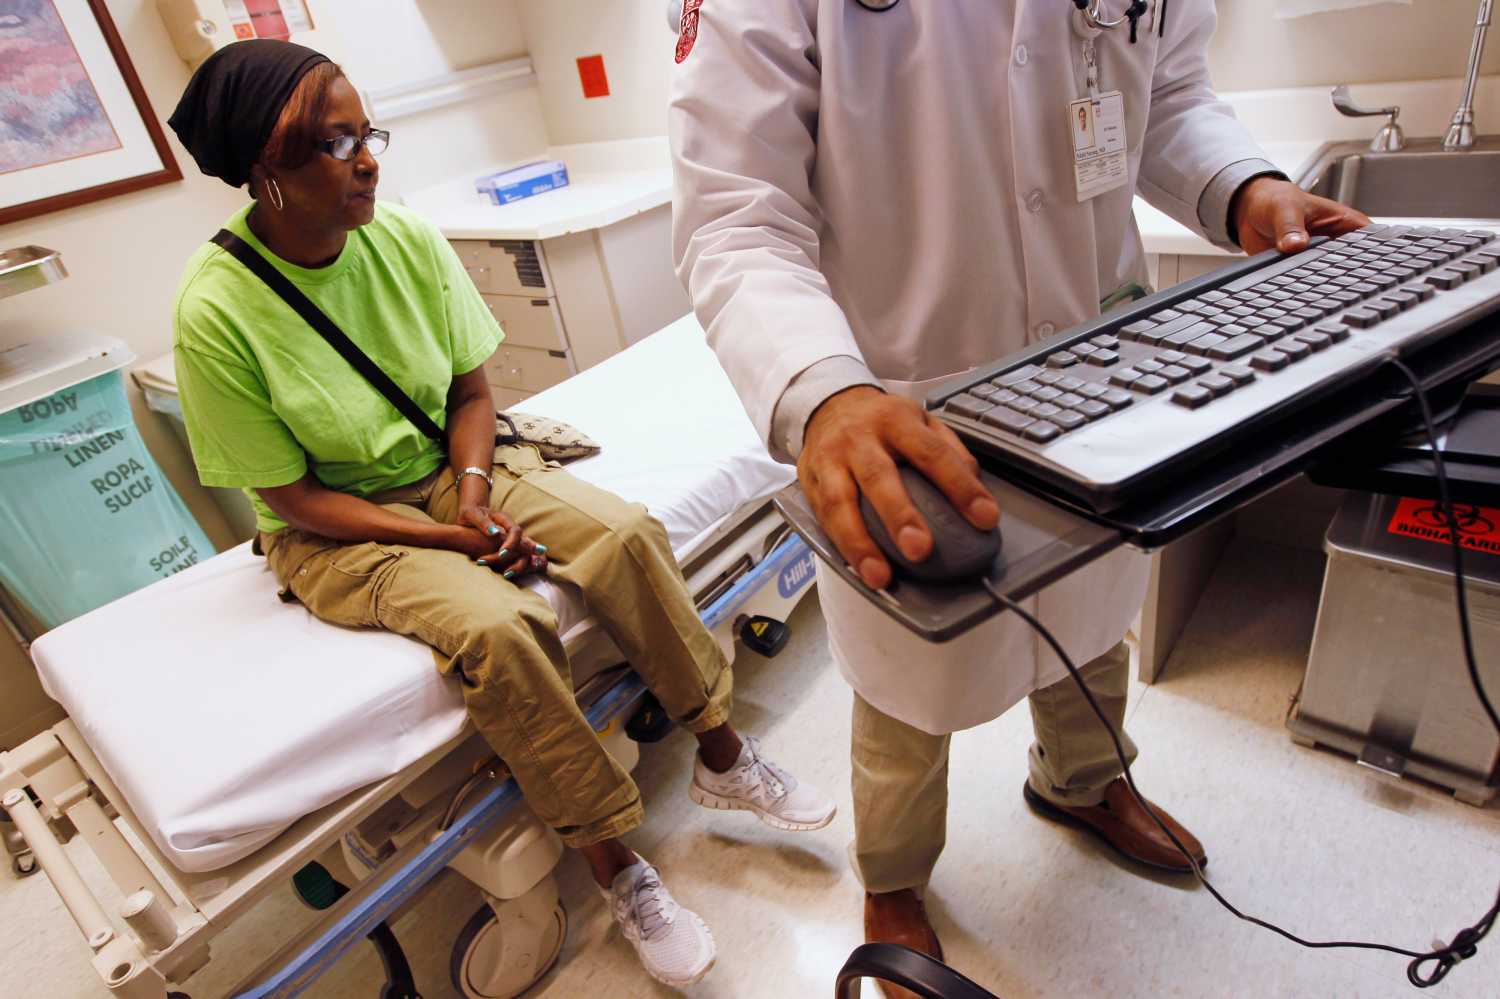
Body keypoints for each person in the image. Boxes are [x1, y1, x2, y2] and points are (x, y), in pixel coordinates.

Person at [669, 1, 1368, 991]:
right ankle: (895, 877)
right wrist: (821, 391)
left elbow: (1166, 94)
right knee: (909, 681)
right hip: (904, 396)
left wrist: (1242, 186)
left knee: (1093, 619)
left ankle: (1085, 781)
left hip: (1094, 367)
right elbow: (737, 207)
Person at [166, 39, 835, 991]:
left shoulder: (401, 238)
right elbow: (292, 497)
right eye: (336, 144)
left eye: (368, 134)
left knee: (623, 535)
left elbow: (472, 394)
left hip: (453, 467)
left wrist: (474, 496)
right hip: (334, 524)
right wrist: (449, 538)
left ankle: (723, 753)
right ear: (265, 170)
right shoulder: (215, 311)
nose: (367, 161)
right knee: (503, 625)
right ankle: (617, 864)